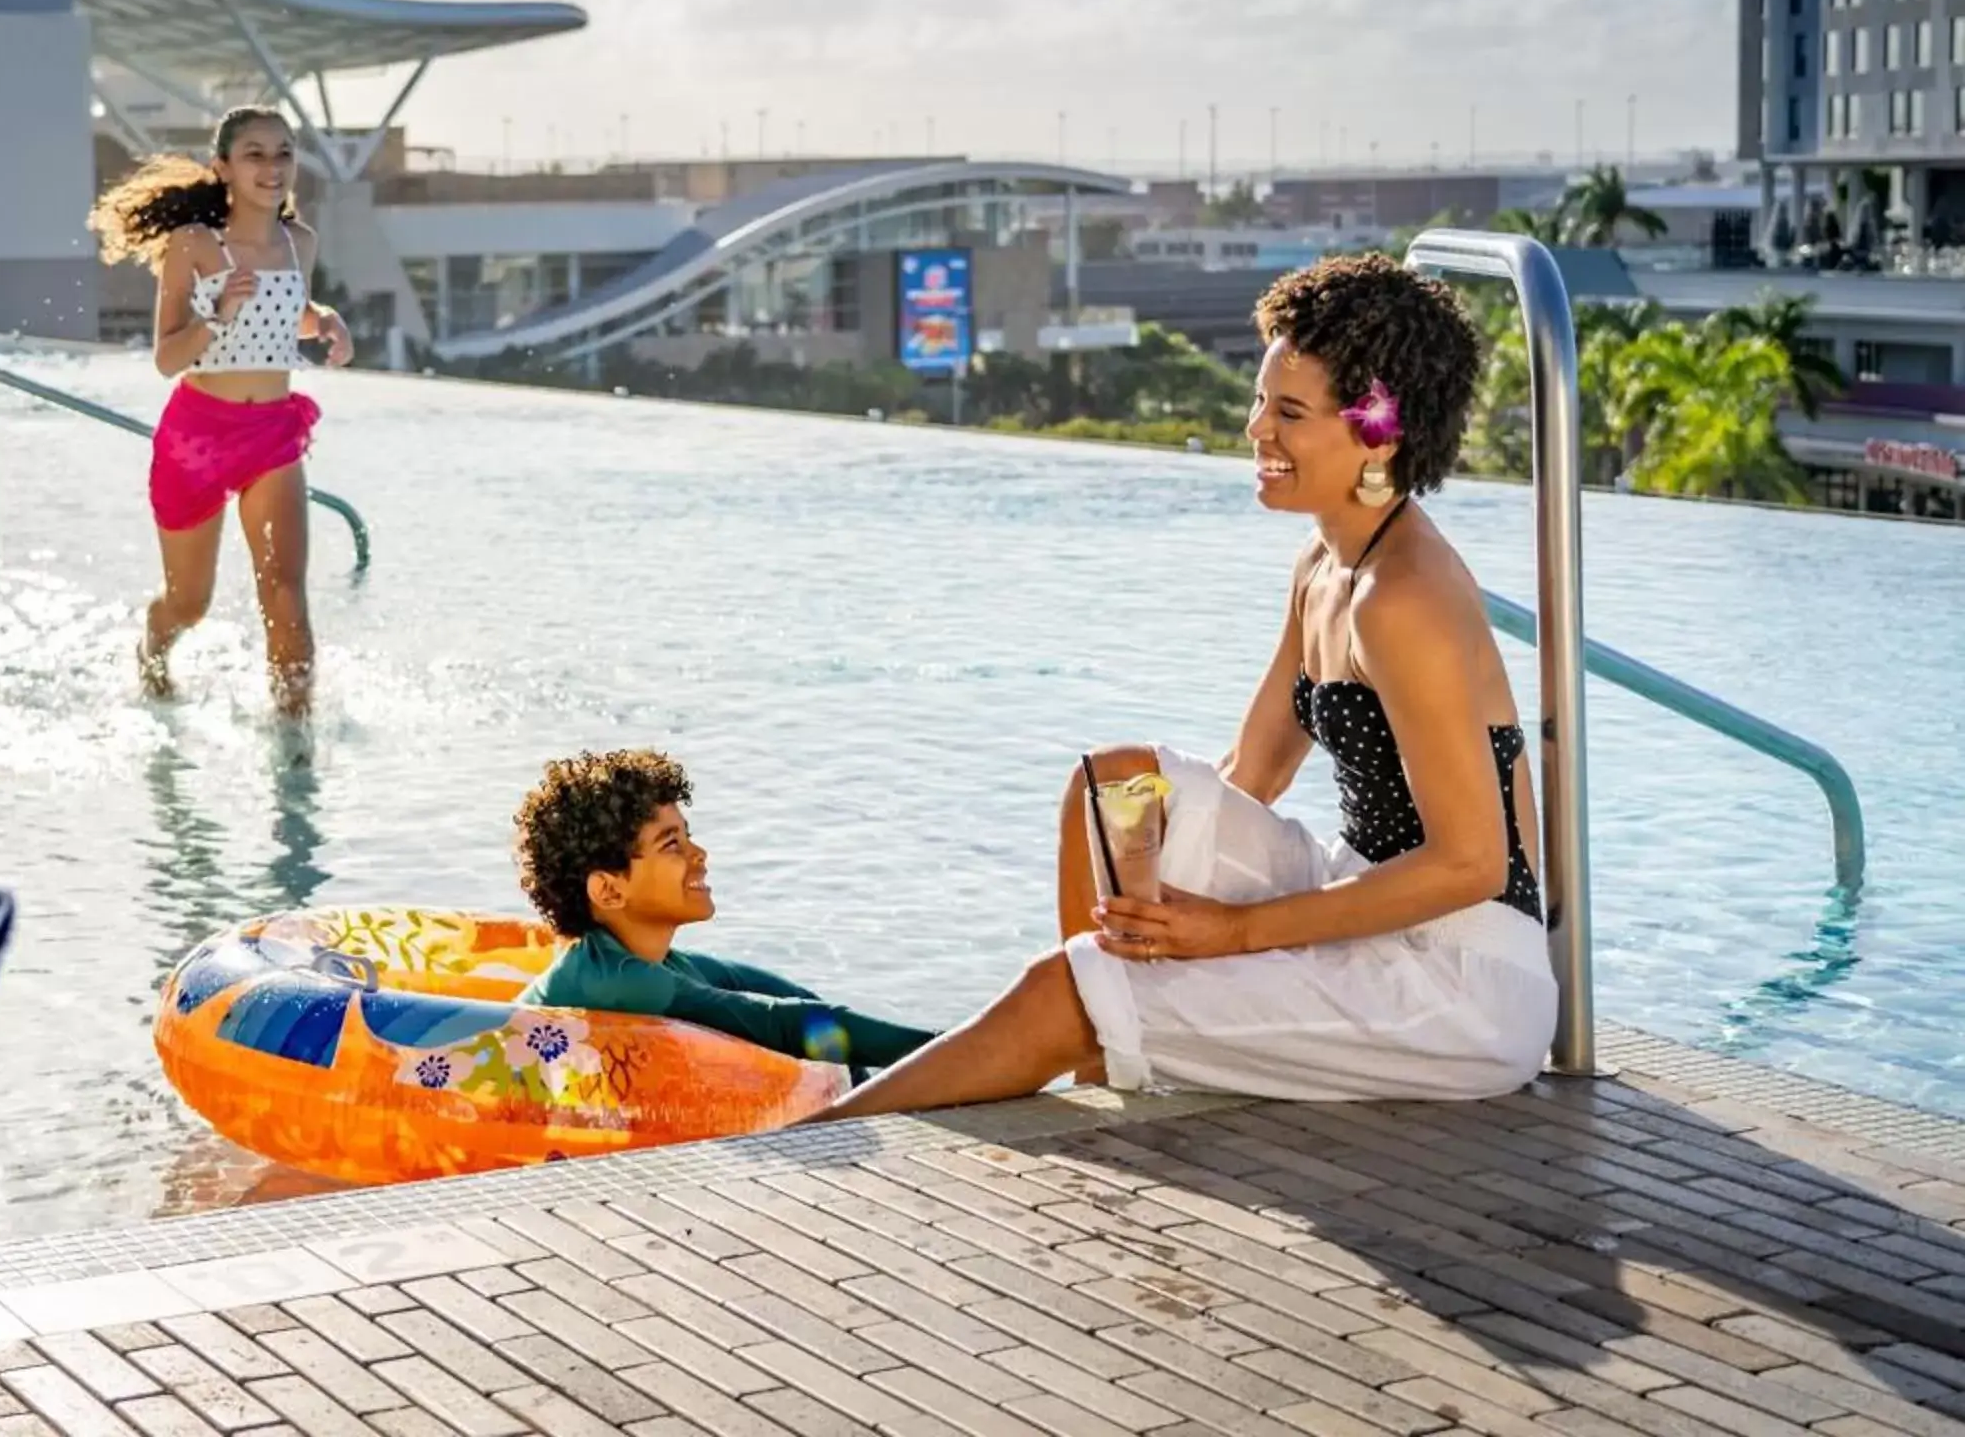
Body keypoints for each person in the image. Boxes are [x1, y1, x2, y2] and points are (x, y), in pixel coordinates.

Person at [821, 253, 1557, 1119]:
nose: (1256, 430)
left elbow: (1471, 864)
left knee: (1066, 990)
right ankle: (1110, 1040)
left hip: (1457, 980)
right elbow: (1254, 769)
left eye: (1288, 412)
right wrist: (1164, 894)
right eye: (1259, 401)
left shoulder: (1404, 597)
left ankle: (821, 1141)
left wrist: (1234, 934)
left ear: (1376, 428)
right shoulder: (1327, 563)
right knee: (1116, 789)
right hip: (1365, 893)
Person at [88, 108, 353, 717]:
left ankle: (294, 742)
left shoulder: (299, 242)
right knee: (190, 602)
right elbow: (165, 357)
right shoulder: (195, 246)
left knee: (285, 593)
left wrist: (327, 322)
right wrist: (216, 317)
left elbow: (292, 311)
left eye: (283, 153)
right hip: (197, 437)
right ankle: (153, 647)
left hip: (272, 434)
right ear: (224, 168)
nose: (272, 167)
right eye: (255, 154)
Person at [511, 749, 937, 1072]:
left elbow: (798, 1003)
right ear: (607, 889)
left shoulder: (658, 965)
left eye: (688, 836)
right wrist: (955, 1051)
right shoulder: (613, 978)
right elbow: (781, 1024)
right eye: (671, 843)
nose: (699, 854)